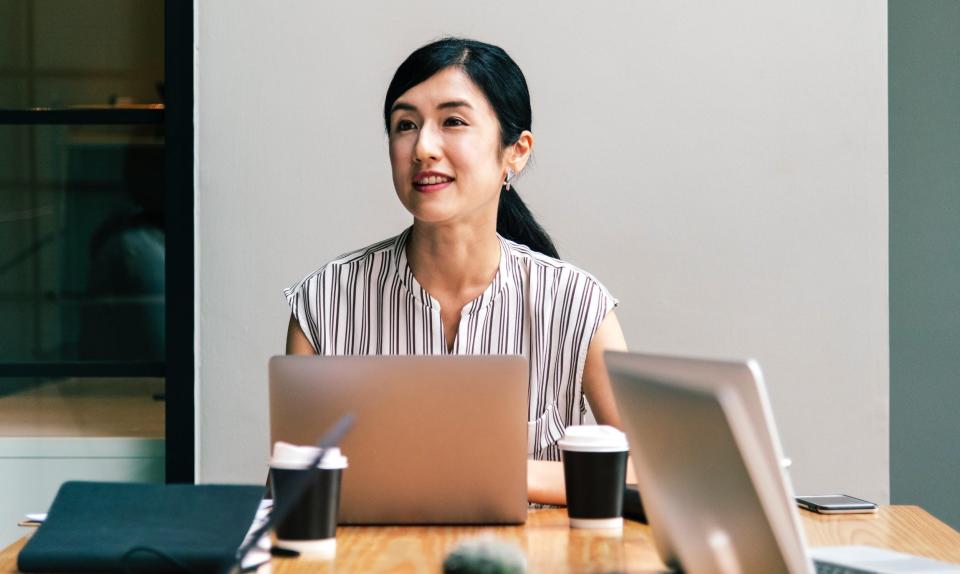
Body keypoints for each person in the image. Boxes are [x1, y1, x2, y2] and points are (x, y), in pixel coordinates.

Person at [284, 37, 628, 505]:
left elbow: (647, 474)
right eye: (405, 125)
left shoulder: (578, 305)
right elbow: (294, 491)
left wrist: (498, 471)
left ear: (516, 151)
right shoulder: (324, 301)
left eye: (454, 122)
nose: (424, 146)